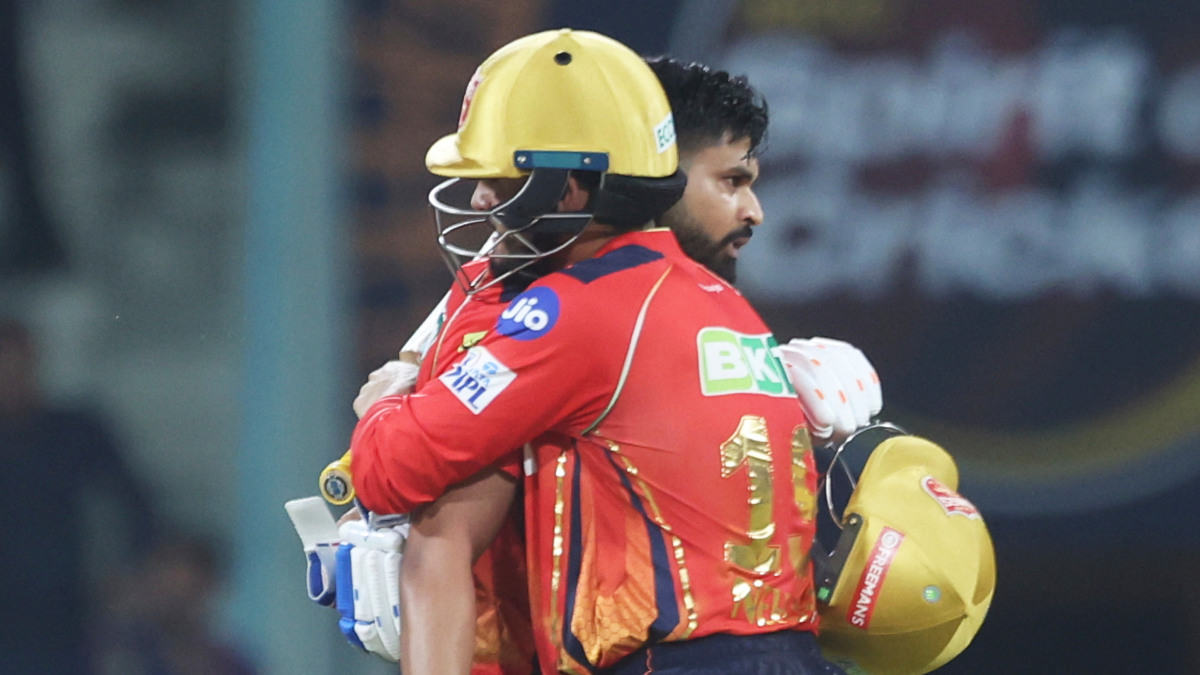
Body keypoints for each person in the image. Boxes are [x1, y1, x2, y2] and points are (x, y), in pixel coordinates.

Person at [348, 28, 849, 674]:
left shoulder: (572, 312)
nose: (479, 199)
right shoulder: (728, 306)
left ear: (569, 191)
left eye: (502, 176)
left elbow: (393, 467)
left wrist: (385, 401)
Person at [0, 317, 157, 673]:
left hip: (65, 612)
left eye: (15, 365)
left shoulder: (74, 430)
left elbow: (136, 502)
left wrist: (132, 573)